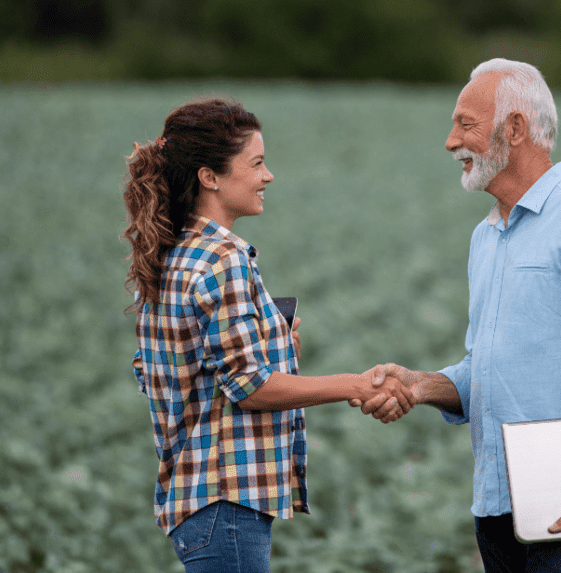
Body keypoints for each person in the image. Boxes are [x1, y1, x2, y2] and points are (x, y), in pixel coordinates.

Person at [355, 60, 561, 573]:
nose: (451, 141)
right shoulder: (487, 236)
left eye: (465, 124)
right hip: (496, 509)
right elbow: (491, 369)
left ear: (515, 129)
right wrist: (422, 385)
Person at [122, 97, 414, 573]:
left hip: (194, 503)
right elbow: (249, 387)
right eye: (256, 163)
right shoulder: (223, 259)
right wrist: (356, 385)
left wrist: (278, 351)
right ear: (209, 176)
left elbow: (188, 375)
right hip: (226, 503)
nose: (267, 176)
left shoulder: (174, 255)